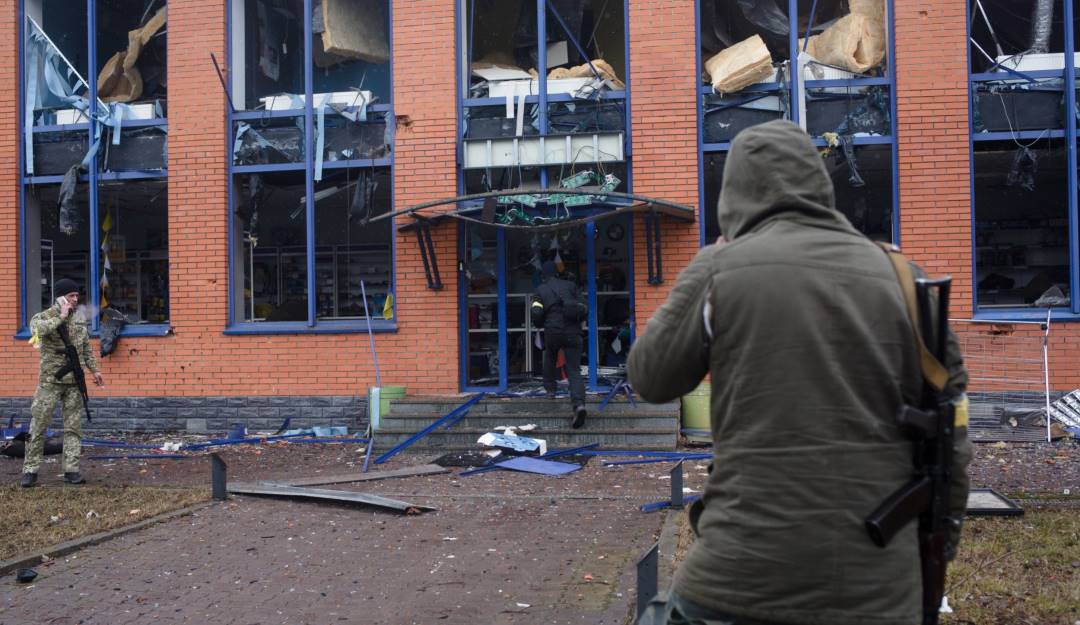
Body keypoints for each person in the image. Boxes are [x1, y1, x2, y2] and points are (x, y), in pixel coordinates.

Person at [627, 120, 972, 625]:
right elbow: (953, 440)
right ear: (820, 185)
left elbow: (650, 378)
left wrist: (706, 266)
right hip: (880, 589)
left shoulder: (722, 270)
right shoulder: (905, 279)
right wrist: (938, 552)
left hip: (737, 582)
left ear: (735, 195)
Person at [21, 278, 105, 487]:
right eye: (71, 296)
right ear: (60, 298)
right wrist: (61, 316)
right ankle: (30, 471)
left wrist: (94, 370)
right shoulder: (45, 316)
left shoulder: (78, 319)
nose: (75, 299)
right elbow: (37, 330)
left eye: (77, 296)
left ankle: (71, 470)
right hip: (50, 381)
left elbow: (84, 347)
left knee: (73, 428)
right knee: (38, 426)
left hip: (73, 382)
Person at [531, 260, 589, 428]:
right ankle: (579, 405)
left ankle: (550, 390)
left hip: (553, 332)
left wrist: (540, 324)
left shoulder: (540, 290)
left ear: (543, 275)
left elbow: (536, 312)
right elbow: (584, 307)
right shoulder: (571, 286)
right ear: (557, 273)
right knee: (573, 370)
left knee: (550, 356)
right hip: (572, 333)